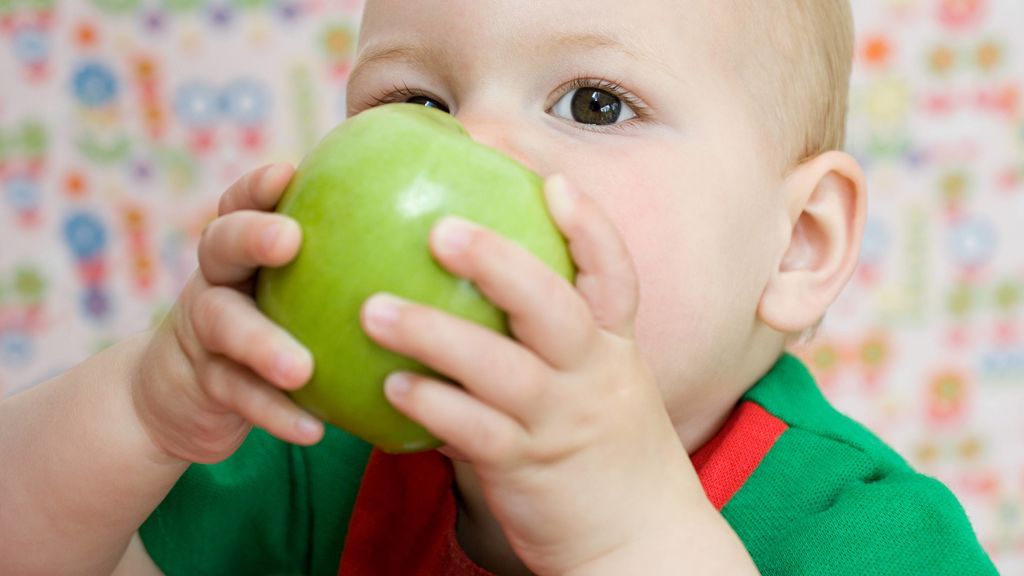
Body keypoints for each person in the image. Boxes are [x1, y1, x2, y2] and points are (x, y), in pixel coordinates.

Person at [0, 0, 998, 574]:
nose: (469, 146)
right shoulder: (317, 464)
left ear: (797, 246)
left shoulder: (867, 533)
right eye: (416, 103)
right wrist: (143, 410)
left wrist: (622, 531)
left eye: (594, 104)